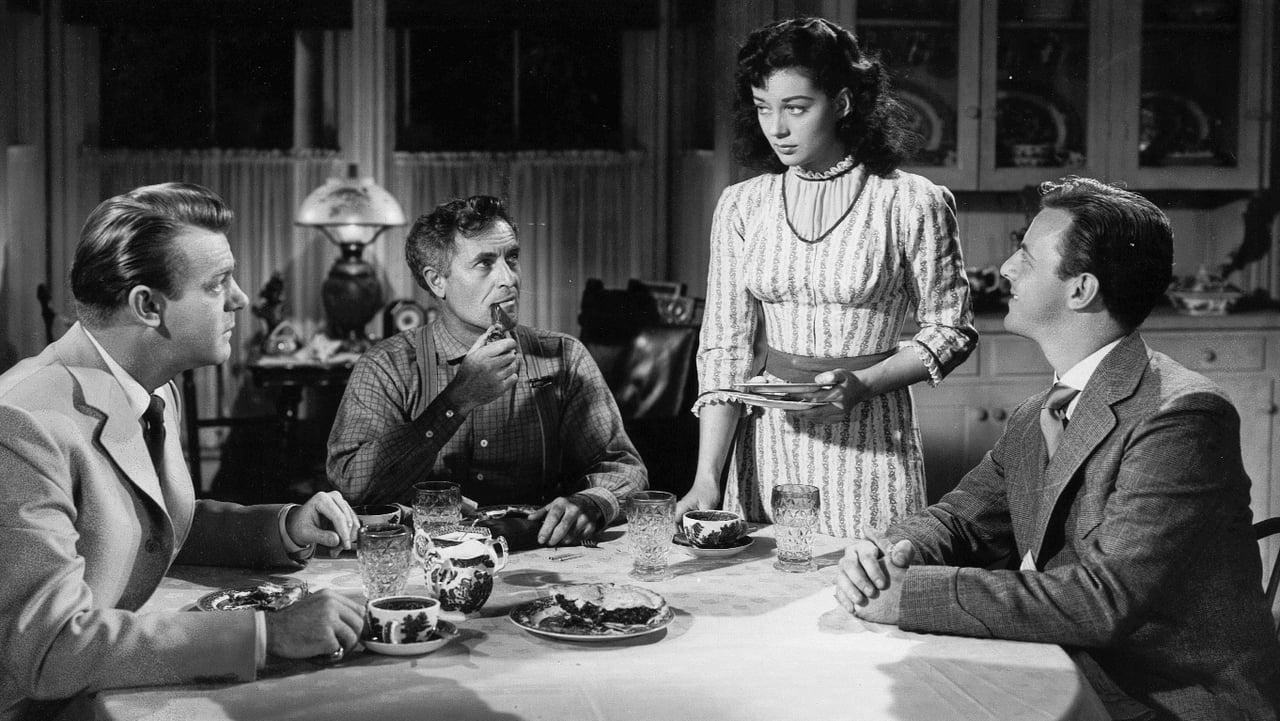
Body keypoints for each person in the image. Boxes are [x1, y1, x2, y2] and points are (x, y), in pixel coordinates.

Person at [835, 177, 1280, 720]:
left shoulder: (1181, 415)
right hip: (1069, 666)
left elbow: (1102, 599)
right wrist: (891, 553)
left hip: (1168, 703)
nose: (1006, 269)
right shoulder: (1041, 411)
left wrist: (911, 594)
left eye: (1025, 255)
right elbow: (961, 519)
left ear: (1081, 290)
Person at [0, 183, 367, 721]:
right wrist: (267, 634)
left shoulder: (150, 386)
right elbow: (51, 649)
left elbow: (149, 526)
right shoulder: (21, 424)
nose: (240, 299)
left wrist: (284, 528)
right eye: (218, 283)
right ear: (148, 306)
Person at [676, 16, 977, 538]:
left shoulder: (911, 202)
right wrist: (707, 477)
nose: (777, 128)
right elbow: (724, 347)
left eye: (796, 108)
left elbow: (952, 329)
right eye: (763, 107)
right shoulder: (742, 206)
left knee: (865, 583)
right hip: (769, 443)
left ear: (841, 103)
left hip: (872, 444)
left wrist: (864, 385)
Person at [327, 194, 647, 546]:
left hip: (542, 557)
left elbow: (624, 467)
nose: (509, 279)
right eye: (484, 263)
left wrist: (593, 503)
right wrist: (457, 400)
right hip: (428, 562)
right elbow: (354, 485)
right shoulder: (387, 366)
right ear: (437, 281)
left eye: (512, 258)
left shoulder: (564, 356)